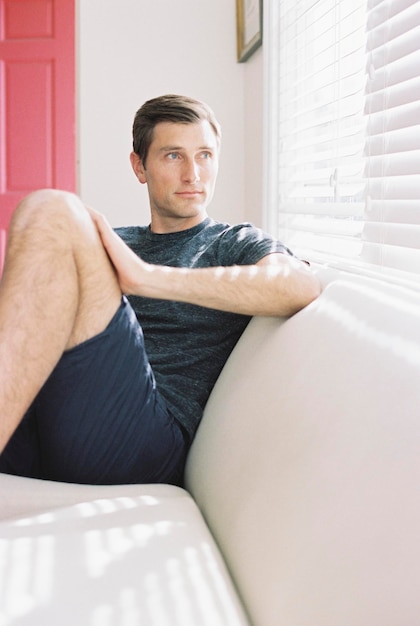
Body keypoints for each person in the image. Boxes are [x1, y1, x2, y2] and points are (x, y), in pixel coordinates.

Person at [0, 94, 321, 486]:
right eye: (173, 156)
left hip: (142, 439)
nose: (193, 174)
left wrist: (146, 277)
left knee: (54, 210)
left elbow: (299, 285)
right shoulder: (118, 243)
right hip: (50, 422)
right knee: (49, 219)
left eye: (204, 155)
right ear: (140, 166)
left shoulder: (232, 242)